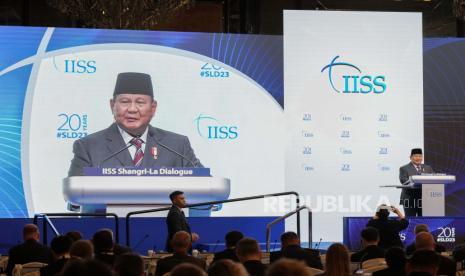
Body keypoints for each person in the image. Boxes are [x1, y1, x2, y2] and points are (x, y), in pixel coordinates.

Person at [399, 148, 434, 217]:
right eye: (415, 156)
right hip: (410, 199)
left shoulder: (428, 168)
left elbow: (433, 179)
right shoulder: (404, 168)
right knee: (410, 221)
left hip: (424, 199)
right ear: (411, 157)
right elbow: (403, 181)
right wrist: (417, 182)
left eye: (420, 156)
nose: (418, 158)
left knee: (424, 221)